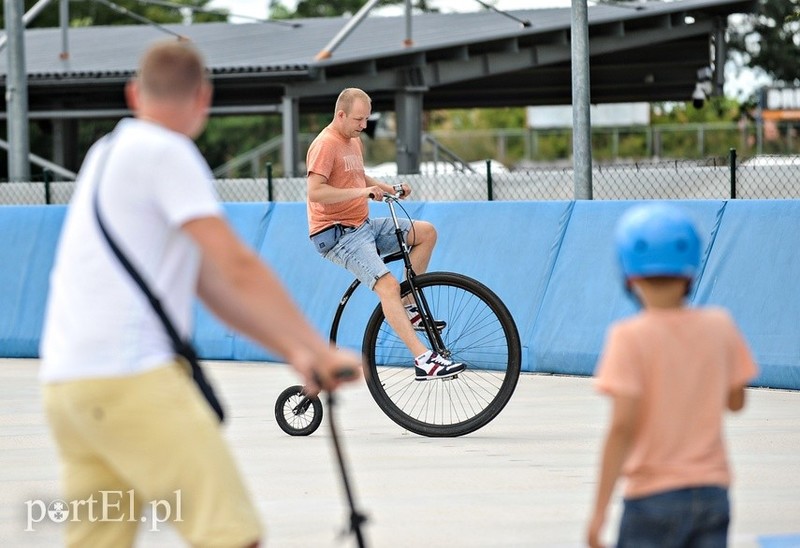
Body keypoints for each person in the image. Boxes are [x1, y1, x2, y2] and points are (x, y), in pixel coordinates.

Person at [39, 40, 362, 548]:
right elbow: (235, 265)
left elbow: (208, 284)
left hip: (68, 389)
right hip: (131, 382)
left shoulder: (104, 154)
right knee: (232, 536)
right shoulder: (167, 151)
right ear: (203, 99)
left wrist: (296, 352)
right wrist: (320, 349)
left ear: (133, 93)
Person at [586, 203, 758, 548]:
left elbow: (622, 427)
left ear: (629, 274)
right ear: (691, 269)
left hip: (651, 497)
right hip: (712, 492)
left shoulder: (628, 336)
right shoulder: (720, 325)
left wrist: (599, 511)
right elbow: (736, 402)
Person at [306, 87, 465, 381]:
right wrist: (363, 192)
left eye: (366, 119)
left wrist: (388, 189)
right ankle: (423, 360)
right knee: (388, 286)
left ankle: (407, 306)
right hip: (337, 234)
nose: (364, 126)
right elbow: (315, 191)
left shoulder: (352, 141)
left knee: (426, 233)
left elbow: (357, 175)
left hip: (363, 225)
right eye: (358, 120)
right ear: (340, 115)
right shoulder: (325, 144)